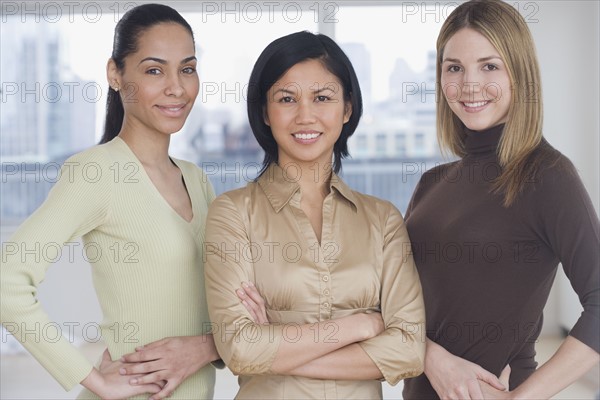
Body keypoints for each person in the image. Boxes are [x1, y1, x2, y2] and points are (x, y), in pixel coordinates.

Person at [1, 4, 220, 399]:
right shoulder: (95, 172)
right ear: (115, 74)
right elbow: (7, 280)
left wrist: (206, 348)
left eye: (187, 68)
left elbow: (218, 306)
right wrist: (92, 378)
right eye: (154, 70)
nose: (177, 87)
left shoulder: (197, 179)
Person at [203, 30, 426, 399]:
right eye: (287, 99)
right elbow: (239, 349)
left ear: (347, 108)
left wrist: (274, 350)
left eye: (322, 98)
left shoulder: (383, 220)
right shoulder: (232, 213)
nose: (305, 116)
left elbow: (408, 350)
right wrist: (361, 325)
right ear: (264, 111)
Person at [401, 0, 600, 399]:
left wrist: (519, 398)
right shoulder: (431, 183)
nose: (469, 85)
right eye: (454, 67)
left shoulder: (547, 175)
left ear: (519, 74)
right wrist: (433, 359)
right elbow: (400, 304)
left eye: (489, 66)